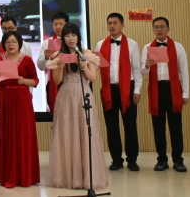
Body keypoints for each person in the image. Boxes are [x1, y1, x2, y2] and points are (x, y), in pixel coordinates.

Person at [45, 23, 108, 190]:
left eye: (73, 35)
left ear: (78, 36)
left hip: (83, 95)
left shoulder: (87, 54)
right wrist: (59, 67)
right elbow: (57, 81)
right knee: (67, 134)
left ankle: (87, 177)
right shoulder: (58, 54)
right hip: (66, 96)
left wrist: (84, 66)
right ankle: (68, 177)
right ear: (63, 38)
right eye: (67, 35)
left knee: (85, 133)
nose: (70, 38)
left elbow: (93, 78)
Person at [94, 13, 142, 172]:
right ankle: (116, 159)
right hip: (108, 90)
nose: (112, 26)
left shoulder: (133, 44)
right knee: (112, 126)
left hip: (128, 88)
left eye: (115, 23)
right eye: (109, 23)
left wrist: (137, 89)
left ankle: (132, 160)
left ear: (122, 25)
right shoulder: (100, 45)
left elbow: (136, 69)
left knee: (130, 126)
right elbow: (95, 67)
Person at [0, 31, 39, 188]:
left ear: (19, 44)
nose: (11, 44)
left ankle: (25, 176)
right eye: (8, 42)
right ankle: (7, 175)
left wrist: (24, 81)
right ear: (3, 45)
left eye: (14, 41)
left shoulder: (27, 60)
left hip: (22, 99)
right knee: (7, 135)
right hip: (5, 100)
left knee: (23, 135)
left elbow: (35, 80)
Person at [141, 17, 189, 173]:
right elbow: (142, 72)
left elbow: (184, 71)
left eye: (162, 27)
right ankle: (161, 160)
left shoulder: (178, 47)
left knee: (176, 127)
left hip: (173, 89)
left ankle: (178, 160)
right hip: (156, 90)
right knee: (158, 127)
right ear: (153, 29)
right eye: (156, 27)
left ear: (168, 28)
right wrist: (146, 65)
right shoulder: (147, 47)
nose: (159, 29)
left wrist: (185, 93)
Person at [38, 12, 69, 113]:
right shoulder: (47, 43)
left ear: (67, 24)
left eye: (61, 24)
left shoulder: (75, 42)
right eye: (55, 24)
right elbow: (40, 66)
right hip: (53, 83)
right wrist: (46, 57)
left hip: (70, 83)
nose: (58, 27)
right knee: (56, 115)